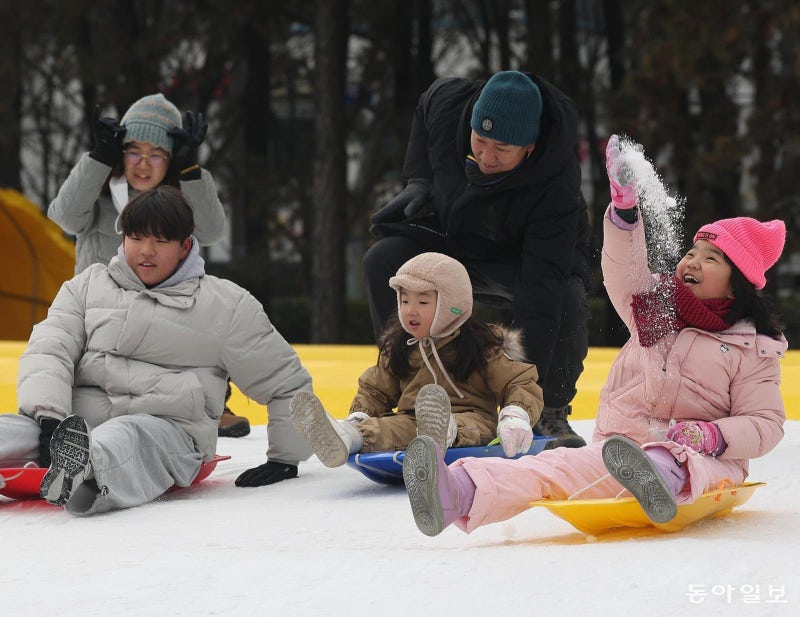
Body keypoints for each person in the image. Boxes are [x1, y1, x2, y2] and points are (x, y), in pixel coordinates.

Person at [400, 135, 787, 537]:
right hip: (622, 448)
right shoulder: (657, 308)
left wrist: (713, 436)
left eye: (711, 259)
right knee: (553, 467)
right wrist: (624, 210)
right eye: (692, 252)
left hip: (705, 459)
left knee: (685, 462)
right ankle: (456, 492)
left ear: (737, 285)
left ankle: (659, 480)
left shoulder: (751, 345)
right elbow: (624, 268)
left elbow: (766, 422)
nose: (692, 261)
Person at [0, 186, 313, 515]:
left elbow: (283, 380)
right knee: (16, 430)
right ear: (123, 240)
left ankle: (84, 473)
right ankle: (69, 453)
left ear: (185, 247)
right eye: (136, 238)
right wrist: (51, 418)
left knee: (127, 435)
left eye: (160, 241)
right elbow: (50, 351)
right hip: (76, 422)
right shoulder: (87, 287)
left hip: (167, 431)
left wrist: (285, 458)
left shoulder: (225, 306)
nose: (145, 251)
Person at [365, 70, 592, 449]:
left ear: (529, 147)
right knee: (384, 262)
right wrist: (419, 178)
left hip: (523, 260)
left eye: (501, 149)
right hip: (458, 237)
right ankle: (409, 386)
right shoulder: (450, 104)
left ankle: (548, 411)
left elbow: (540, 295)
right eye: (480, 140)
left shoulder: (557, 187)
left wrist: (518, 403)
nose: (486, 156)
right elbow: (424, 106)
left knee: (566, 297)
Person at [47, 93, 249, 439]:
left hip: (163, 322)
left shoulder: (181, 195)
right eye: (133, 152)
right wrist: (97, 159)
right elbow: (64, 216)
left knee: (208, 318)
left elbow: (213, 231)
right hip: (102, 323)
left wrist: (190, 171)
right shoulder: (100, 194)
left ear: (170, 160)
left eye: (156, 155)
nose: (143, 165)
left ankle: (203, 406)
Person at [290, 252, 544, 467]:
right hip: (414, 421)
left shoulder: (481, 344)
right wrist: (361, 416)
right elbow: (376, 390)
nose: (410, 310)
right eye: (404, 300)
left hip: (472, 421)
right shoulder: (399, 346)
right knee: (389, 429)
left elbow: (518, 382)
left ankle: (443, 431)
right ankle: (344, 437)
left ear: (452, 305)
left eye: (423, 301)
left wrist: (515, 416)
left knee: (468, 427)